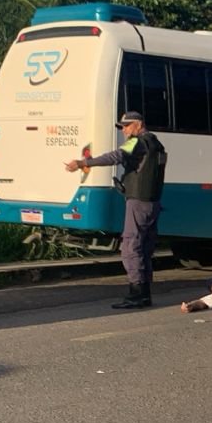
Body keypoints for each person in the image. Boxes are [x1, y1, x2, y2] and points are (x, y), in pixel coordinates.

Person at [64, 111, 165, 309]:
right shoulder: (155, 143)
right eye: (121, 127)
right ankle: (144, 294)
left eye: (127, 126)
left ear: (138, 124)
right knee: (144, 247)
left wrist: (84, 163)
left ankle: (136, 295)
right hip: (152, 202)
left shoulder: (138, 141)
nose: (124, 130)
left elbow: (116, 156)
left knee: (130, 246)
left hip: (138, 201)